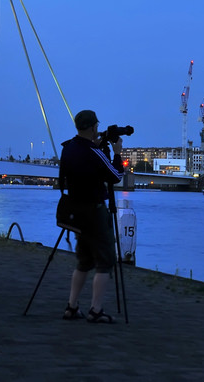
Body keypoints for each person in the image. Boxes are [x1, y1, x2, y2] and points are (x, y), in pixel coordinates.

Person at [59, 109, 124, 323]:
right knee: (104, 261)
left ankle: (72, 306)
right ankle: (96, 310)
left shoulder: (67, 149)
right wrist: (116, 153)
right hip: (94, 212)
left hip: (75, 211)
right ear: (94, 127)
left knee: (83, 260)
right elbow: (115, 176)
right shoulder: (93, 152)